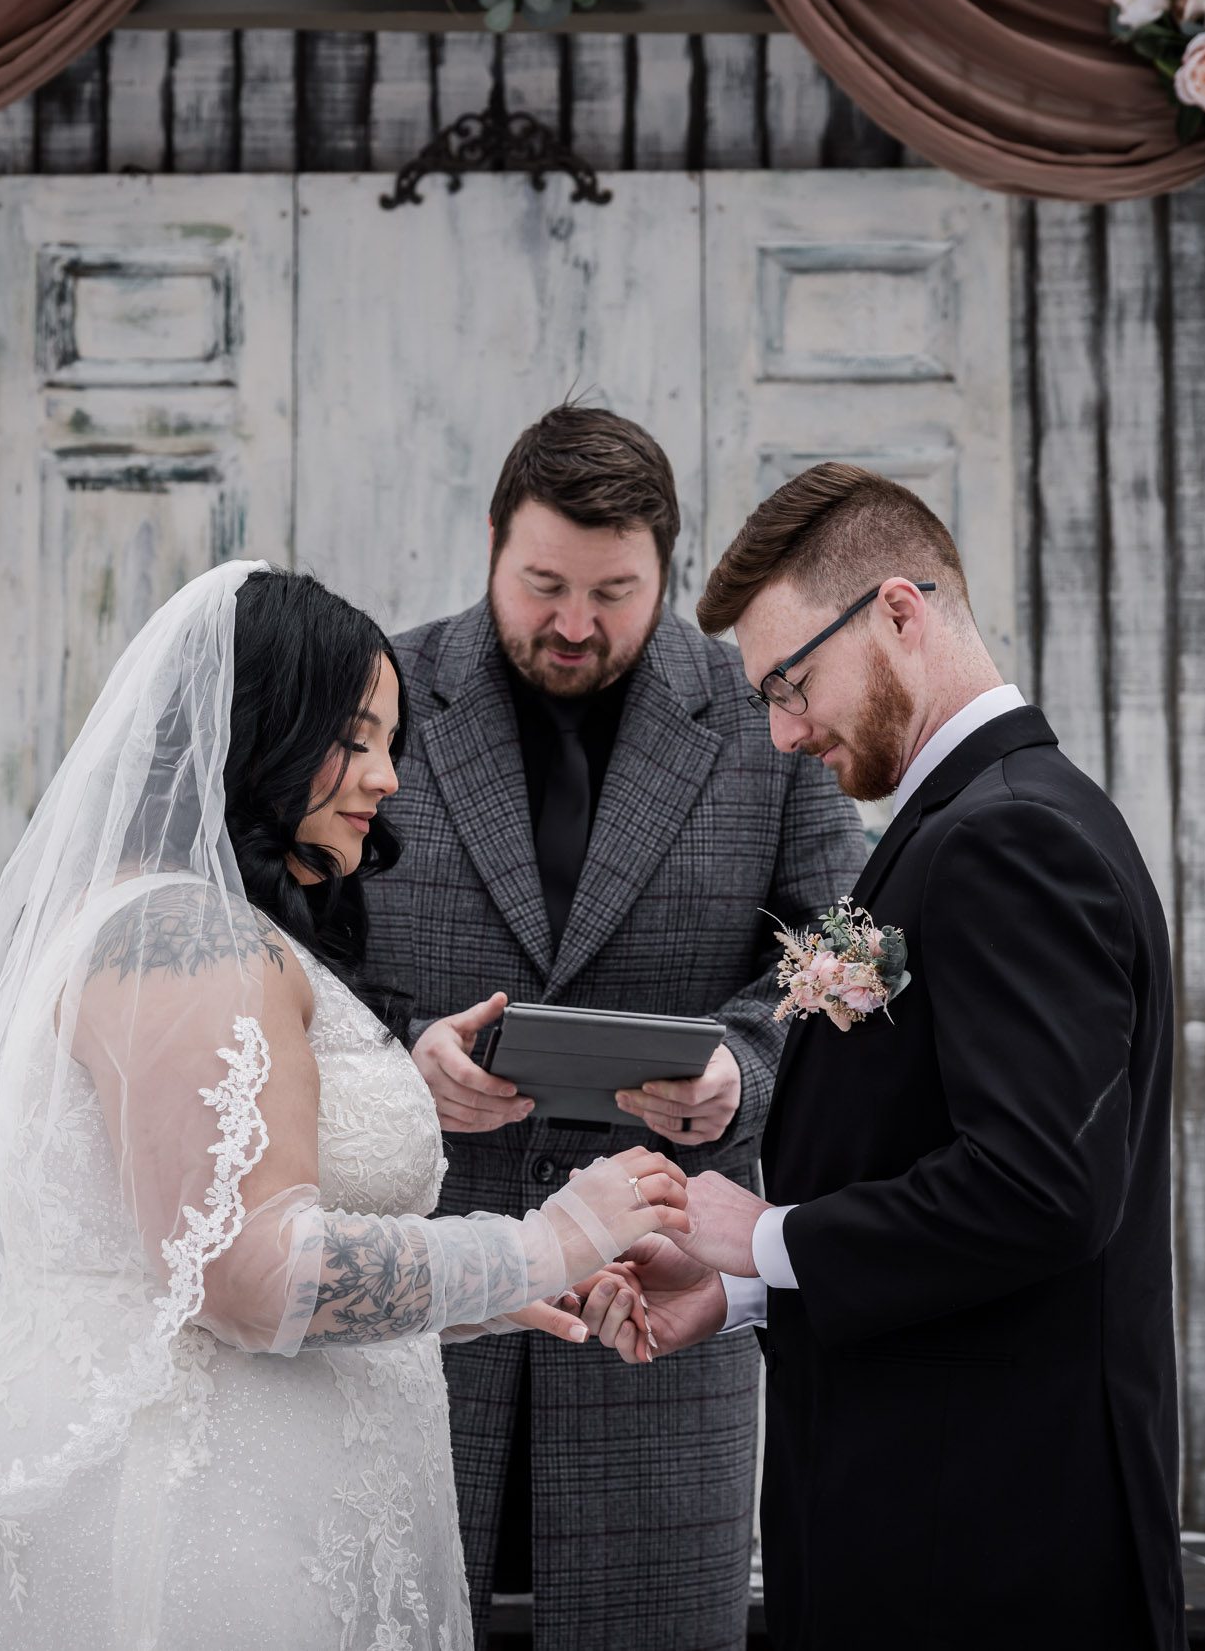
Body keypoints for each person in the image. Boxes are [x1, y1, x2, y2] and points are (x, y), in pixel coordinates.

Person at [0, 562, 692, 1650]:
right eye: (358, 736)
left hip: (239, 1480)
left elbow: (217, 1219)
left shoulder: (176, 925)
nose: (385, 778)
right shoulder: (186, 938)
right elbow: (247, 1274)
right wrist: (547, 1237)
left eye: (392, 744)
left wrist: (489, 1280)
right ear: (262, 729)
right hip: (187, 1508)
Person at [577, 465, 1188, 1648]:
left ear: (899, 613)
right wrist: (745, 1284)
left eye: (790, 683)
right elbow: (917, 1148)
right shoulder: (965, 820)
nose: (781, 731)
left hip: (993, 1556)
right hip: (924, 1527)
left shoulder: (1010, 838)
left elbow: (1042, 1189)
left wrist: (756, 1231)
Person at [367, 407, 866, 1650]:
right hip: (419, 1320)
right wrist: (402, 1060)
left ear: (671, 571)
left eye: (614, 591)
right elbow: (291, 955)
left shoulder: (768, 715)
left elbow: (850, 952)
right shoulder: (377, 691)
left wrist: (739, 1073)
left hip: (659, 1326)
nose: (573, 623)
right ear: (490, 544)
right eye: (541, 584)